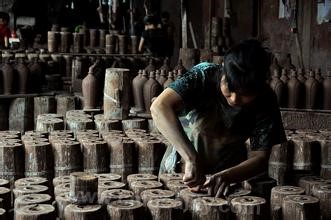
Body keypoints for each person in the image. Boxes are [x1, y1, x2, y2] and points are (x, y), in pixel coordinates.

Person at [150, 39, 286, 197]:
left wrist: (227, 176)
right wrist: (191, 158)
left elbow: (260, 157)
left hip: (226, 180)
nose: (234, 98)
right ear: (223, 70)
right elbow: (159, 107)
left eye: (245, 93)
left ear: (260, 87)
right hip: (180, 171)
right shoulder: (203, 75)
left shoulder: (265, 99)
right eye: (230, 87)